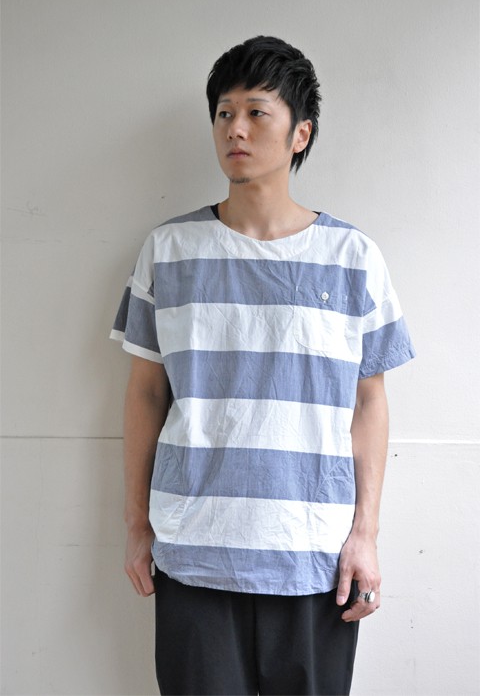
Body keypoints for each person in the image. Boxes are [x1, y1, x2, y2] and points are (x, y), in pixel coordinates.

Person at [111, 35, 415, 695]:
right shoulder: (169, 250)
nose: (235, 129)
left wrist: (365, 535)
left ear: (300, 133)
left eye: (256, 112)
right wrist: (136, 525)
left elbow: (369, 403)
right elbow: (145, 394)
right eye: (224, 113)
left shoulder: (353, 258)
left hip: (315, 557)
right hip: (193, 549)